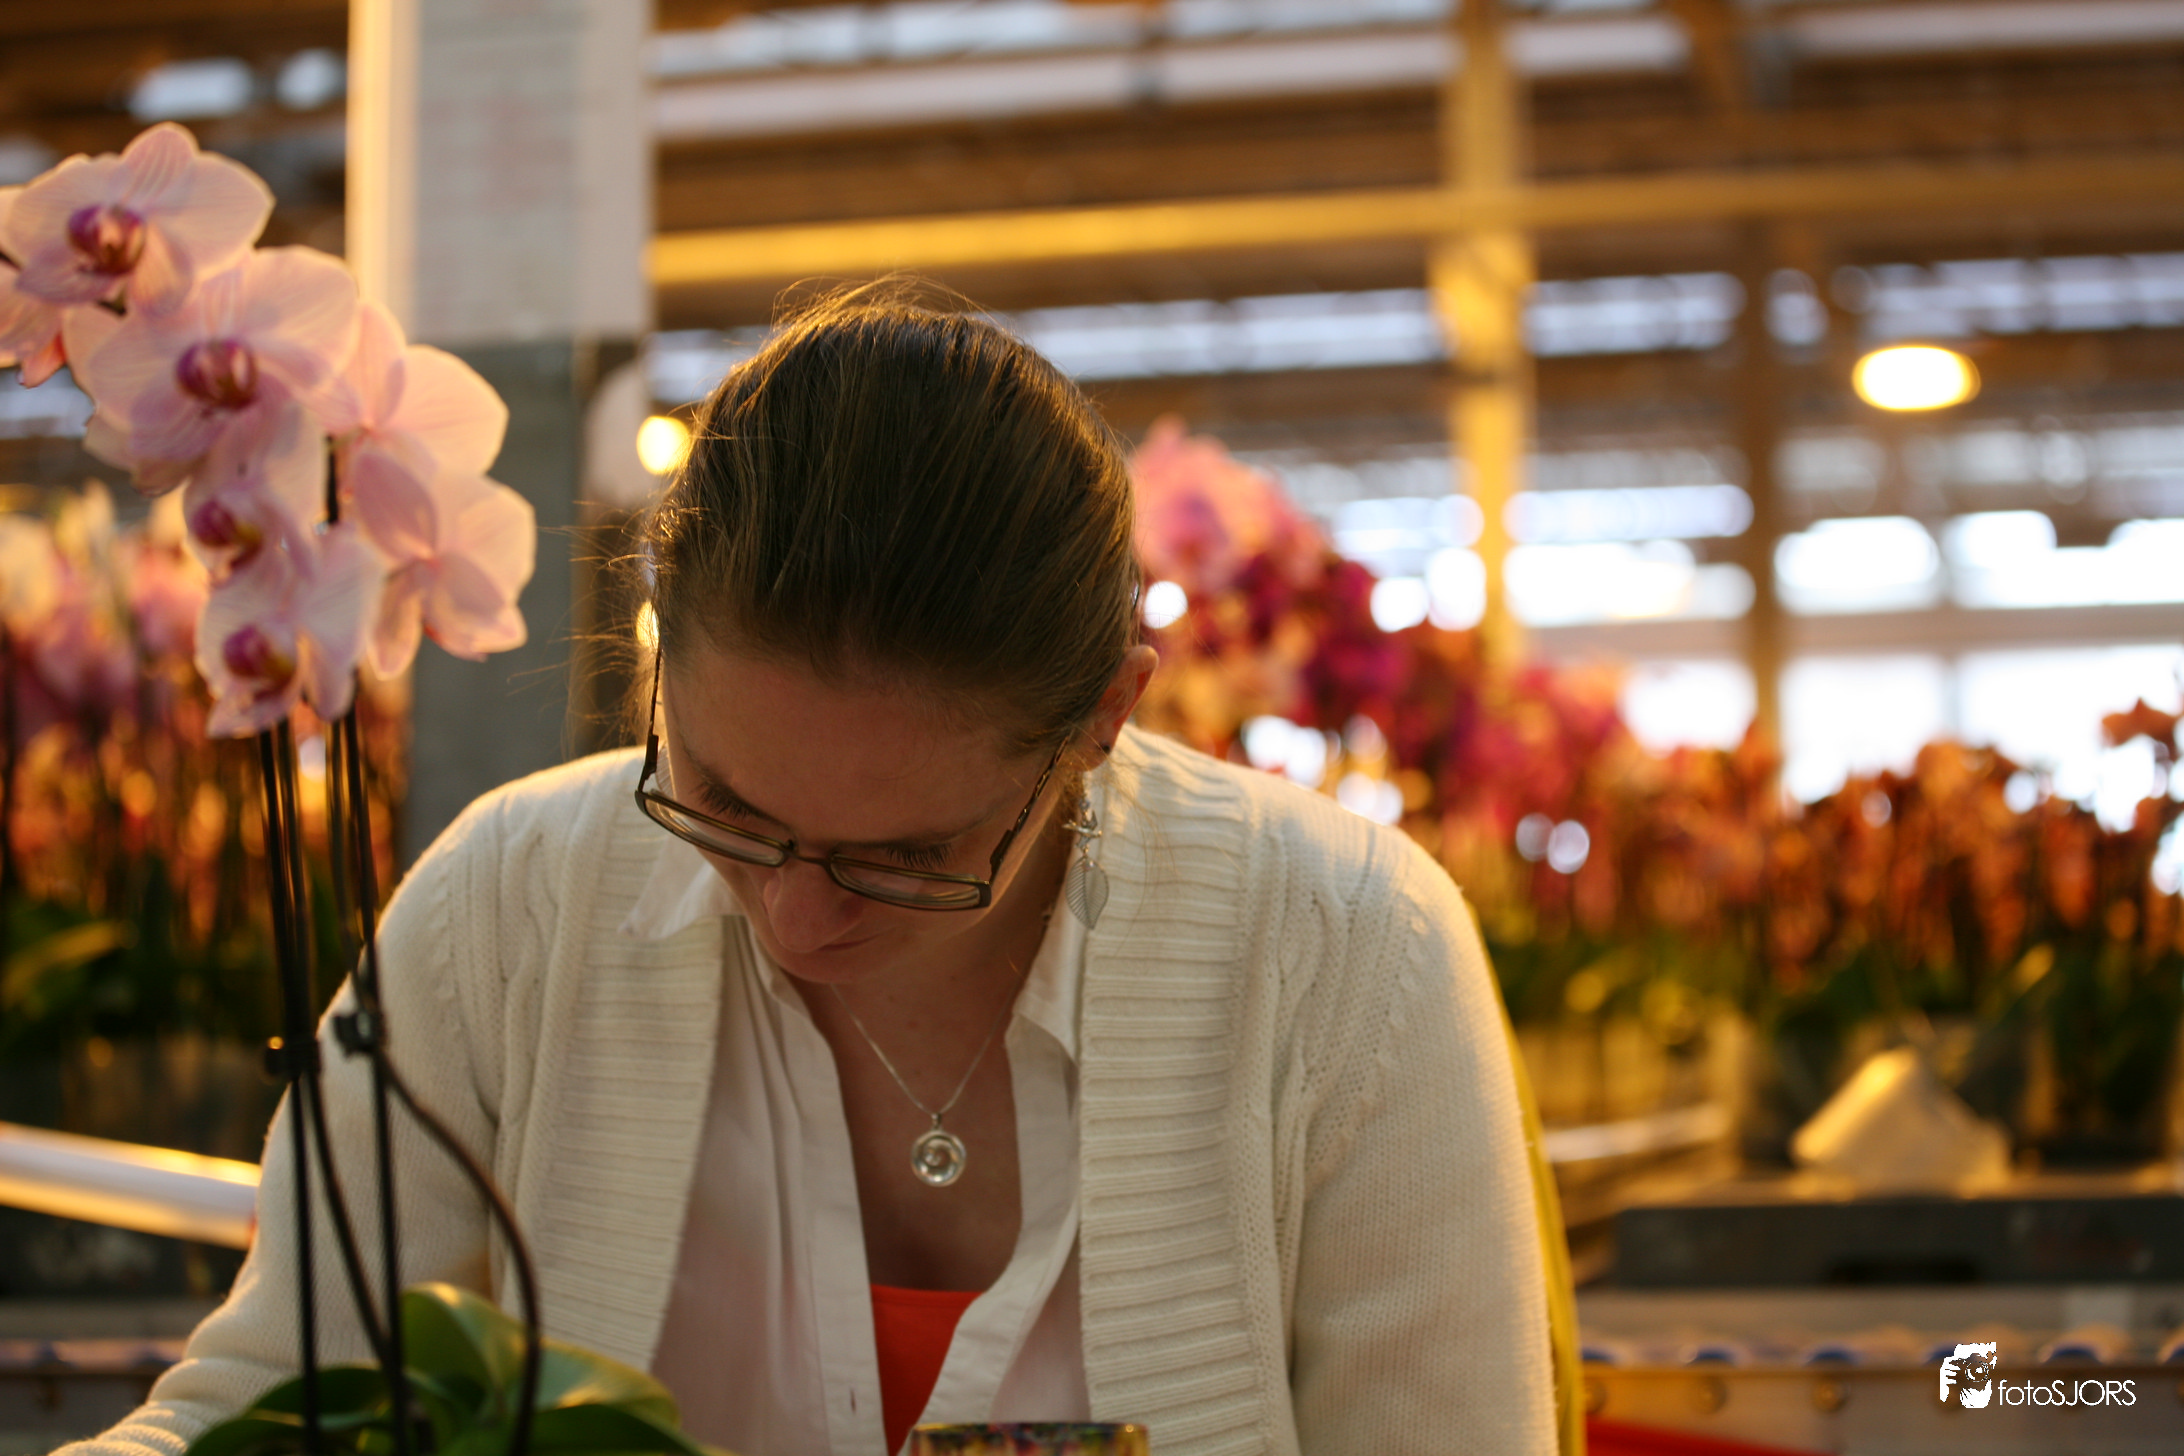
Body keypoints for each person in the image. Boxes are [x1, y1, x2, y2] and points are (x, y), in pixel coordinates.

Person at [64, 282, 1555, 1456]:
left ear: (1105, 714)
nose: (796, 914)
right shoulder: (512, 909)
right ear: (657, 654)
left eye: (908, 856)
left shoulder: (1344, 955)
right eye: (721, 803)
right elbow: (265, 1408)